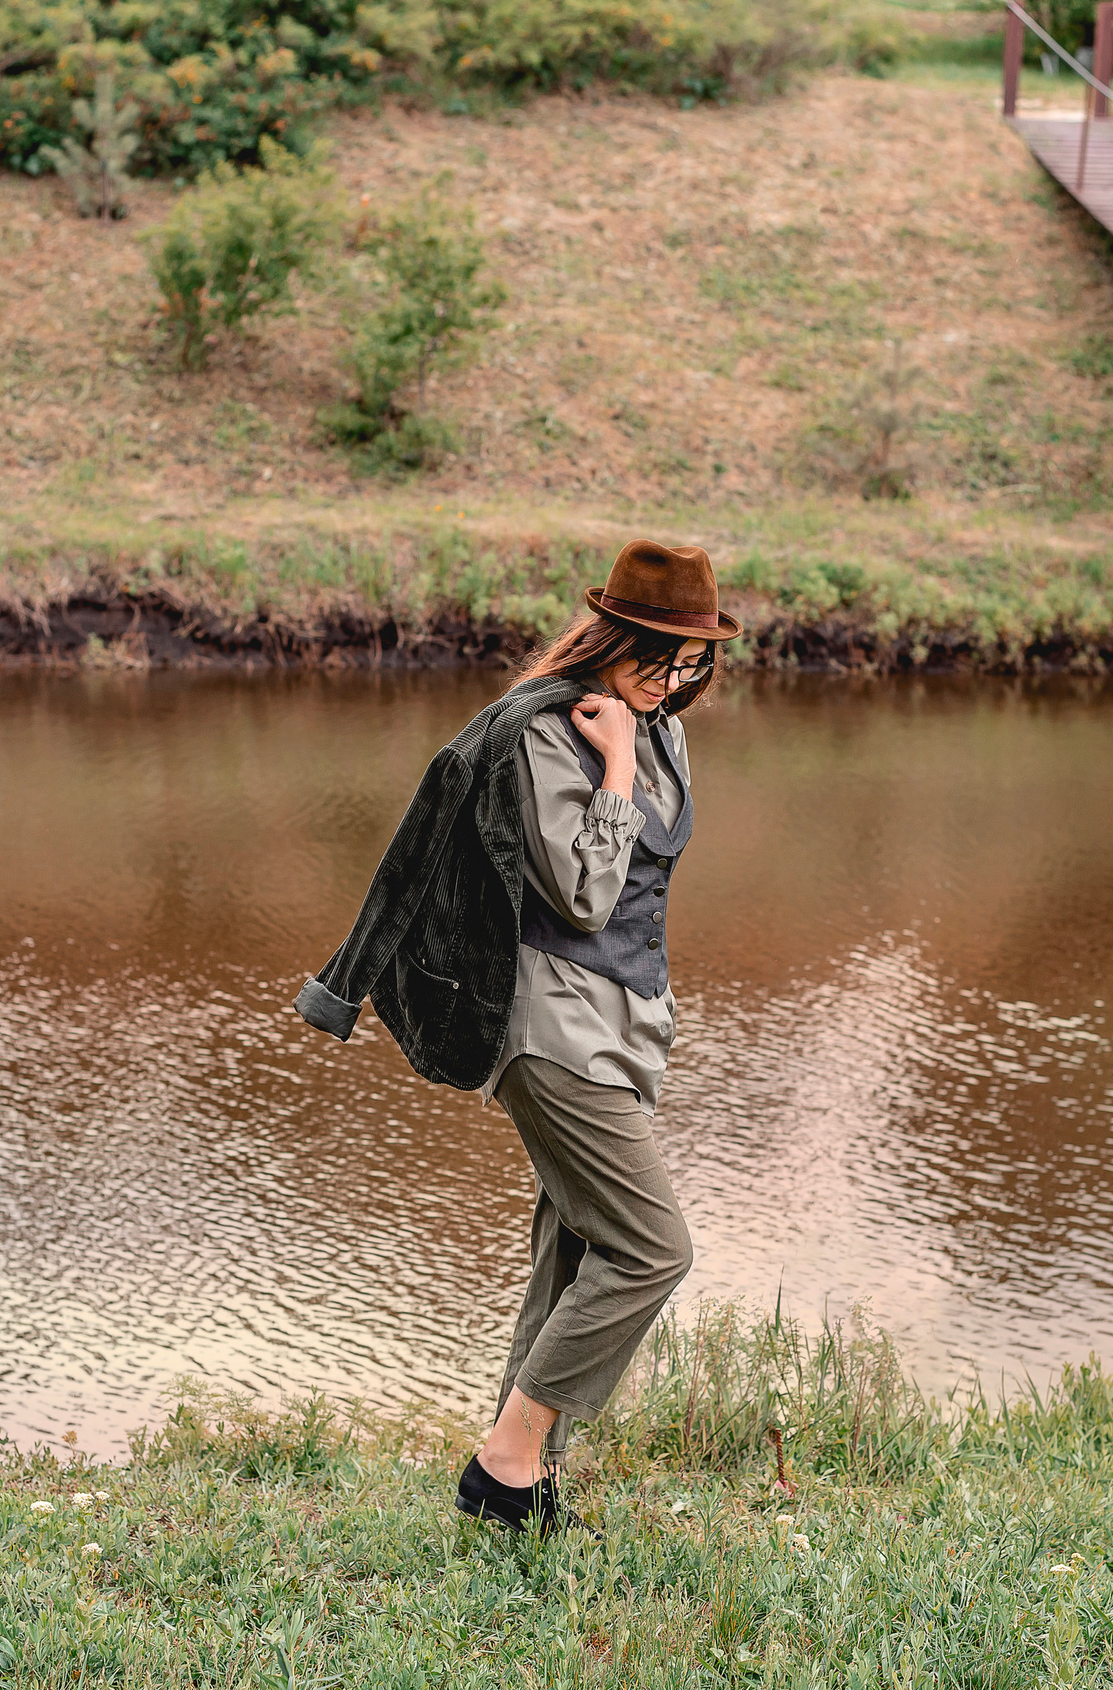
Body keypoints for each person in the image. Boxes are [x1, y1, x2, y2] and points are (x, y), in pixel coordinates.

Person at [294, 539, 740, 1532]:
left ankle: (523, 1487)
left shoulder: (663, 728)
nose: (672, 679)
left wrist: (637, 741)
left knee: (575, 1251)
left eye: (691, 662)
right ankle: (504, 1460)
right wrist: (614, 761)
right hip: (551, 1027)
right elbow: (583, 895)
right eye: (658, 656)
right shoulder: (548, 732)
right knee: (651, 1247)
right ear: (613, 635)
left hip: (625, 1027)